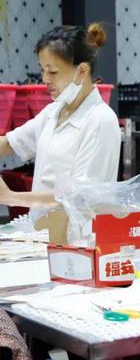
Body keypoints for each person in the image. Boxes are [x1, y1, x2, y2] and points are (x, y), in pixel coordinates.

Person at [0, 24, 120, 220]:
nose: (45, 79)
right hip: (42, 234)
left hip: (77, 240)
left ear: (82, 71)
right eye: (42, 70)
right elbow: (9, 143)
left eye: (53, 72)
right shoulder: (53, 112)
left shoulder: (101, 121)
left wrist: (12, 198)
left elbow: (81, 196)